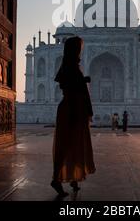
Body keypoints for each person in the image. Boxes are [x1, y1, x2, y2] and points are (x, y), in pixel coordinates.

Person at [51, 36, 96, 196]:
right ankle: (56, 179)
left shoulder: (71, 65)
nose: (80, 51)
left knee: (74, 144)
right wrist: (83, 81)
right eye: (78, 48)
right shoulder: (70, 66)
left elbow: (68, 83)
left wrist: (82, 80)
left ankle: (74, 178)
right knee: (67, 144)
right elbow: (67, 85)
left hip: (73, 107)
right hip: (72, 108)